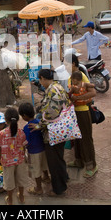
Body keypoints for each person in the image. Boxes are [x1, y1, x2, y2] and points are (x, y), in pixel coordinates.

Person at [32, 68, 69, 196]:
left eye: (40, 80)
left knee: (54, 162)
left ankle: (59, 189)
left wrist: (39, 126)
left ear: (43, 78)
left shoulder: (53, 91)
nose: (40, 82)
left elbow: (51, 114)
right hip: (62, 129)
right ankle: (64, 178)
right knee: (59, 158)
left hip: (54, 132)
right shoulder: (57, 86)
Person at [68, 70, 98, 177]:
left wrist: (78, 97)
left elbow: (93, 92)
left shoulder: (82, 79)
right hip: (74, 112)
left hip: (83, 111)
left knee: (86, 138)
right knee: (77, 137)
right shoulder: (69, 78)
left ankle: (91, 166)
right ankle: (78, 160)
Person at [0, 107, 27, 205]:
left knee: (9, 181)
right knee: (21, 178)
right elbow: (24, 146)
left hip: (7, 161)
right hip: (20, 160)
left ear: (5, 120)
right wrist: (23, 156)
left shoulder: (2, 133)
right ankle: (21, 196)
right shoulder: (21, 132)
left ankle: (10, 200)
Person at [19, 102, 50, 195]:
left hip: (33, 152)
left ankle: (38, 188)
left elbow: (26, 141)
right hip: (43, 149)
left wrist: (22, 146)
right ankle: (46, 177)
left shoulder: (27, 127)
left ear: (24, 116)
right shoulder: (39, 122)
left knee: (36, 170)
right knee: (44, 164)